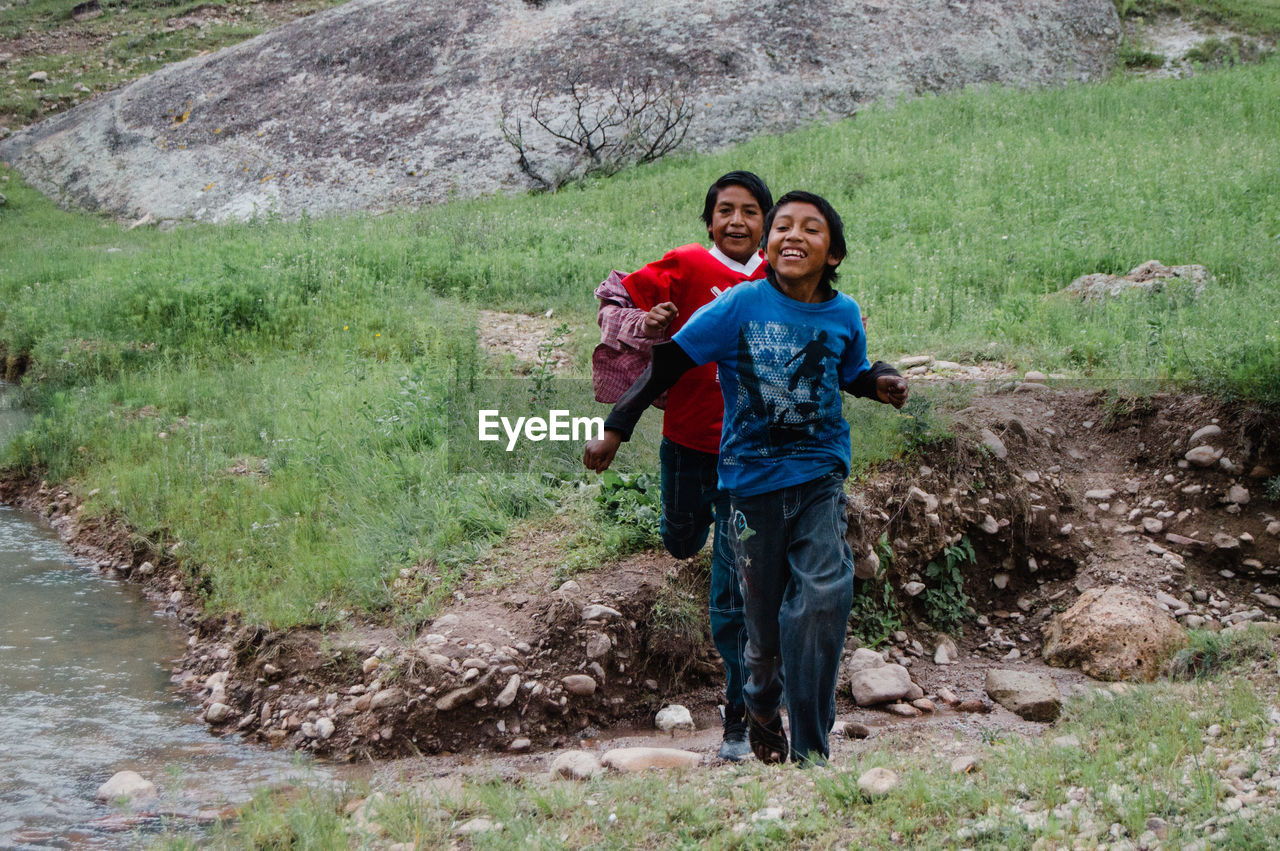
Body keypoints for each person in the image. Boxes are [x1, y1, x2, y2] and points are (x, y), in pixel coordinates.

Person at [584, 191, 908, 764]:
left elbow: (850, 371)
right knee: (761, 641)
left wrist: (877, 381)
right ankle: (759, 703)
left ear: (833, 254)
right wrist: (616, 428)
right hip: (748, 487)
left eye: (811, 228)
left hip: (818, 475)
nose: (793, 235)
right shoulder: (738, 305)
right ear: (768, 245)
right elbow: (671, 362)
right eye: (783, 226)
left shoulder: (843, 313)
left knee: (823, 598)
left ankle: (811, 752)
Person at [591, 171, 773, 761]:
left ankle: (737, 724)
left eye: (750, 211)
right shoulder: (689, 264)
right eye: (726, 211)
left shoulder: (783, 274)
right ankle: (689, 534)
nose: (738, 221)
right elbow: (617, 296)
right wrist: (645, 325)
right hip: (687, 444)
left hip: (752, 462)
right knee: (677, 540)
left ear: (767, 222)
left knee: (734, 595)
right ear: (709, 220)